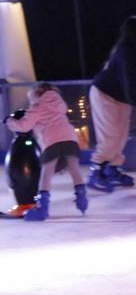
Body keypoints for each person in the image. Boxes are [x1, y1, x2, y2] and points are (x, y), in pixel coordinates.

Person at [89, 15, 136, 191]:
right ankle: (96, 170)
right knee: (111, 135)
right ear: (135, 32)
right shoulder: (126, 51)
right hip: (105, 94)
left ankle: (112, 168)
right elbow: (129, 81)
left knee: (121, 134)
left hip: (121, 97)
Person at [5, 83, 87, 221]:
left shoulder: (37, 107)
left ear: (36, 94)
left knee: (46, 174)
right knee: (75, 170)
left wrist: (10, 122)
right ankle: (82, 200)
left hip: (51, 141)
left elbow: (24, 126)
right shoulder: (60, 104)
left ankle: (42, 209)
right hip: (70, 139)